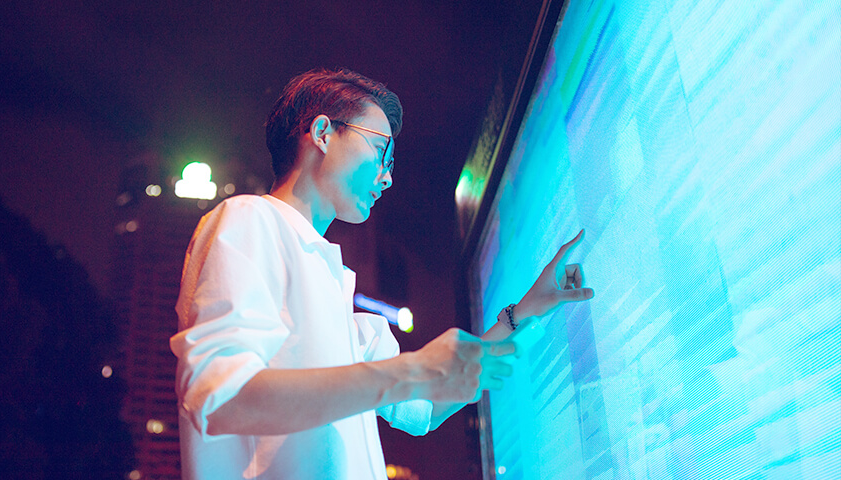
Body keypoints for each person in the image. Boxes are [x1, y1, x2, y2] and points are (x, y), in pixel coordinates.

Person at [170, 68, 594, 479]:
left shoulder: (338, 298)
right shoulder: (249, 218)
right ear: (322, 133)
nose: (388, 177)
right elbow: (221, 396)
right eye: (381, 151)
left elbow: (424, 406)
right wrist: (406, 372)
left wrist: (525, 312)